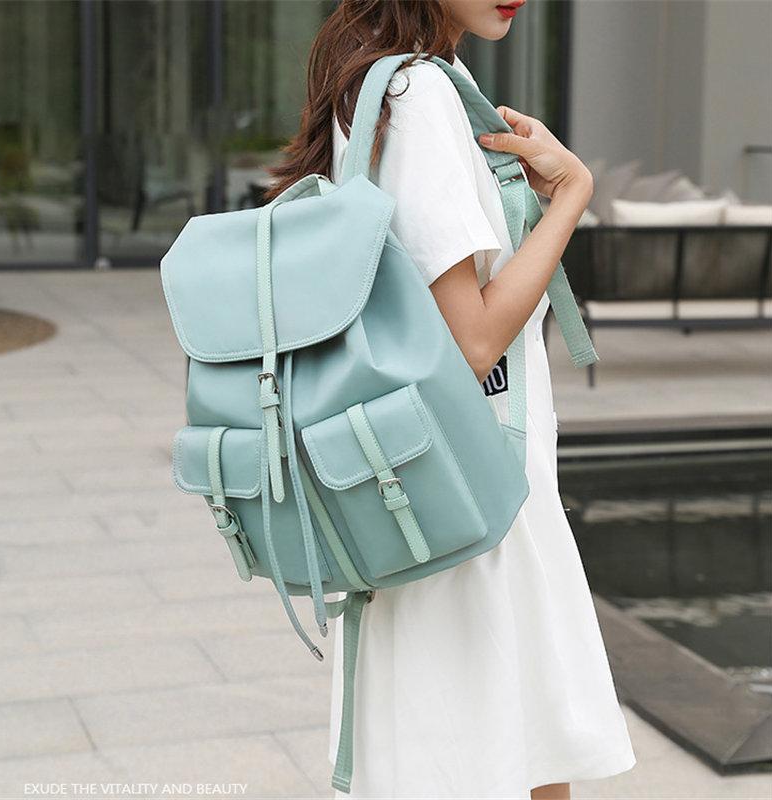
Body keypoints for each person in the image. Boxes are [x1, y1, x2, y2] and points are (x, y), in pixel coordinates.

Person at [267, 1, 637, 797]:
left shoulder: (392, 81)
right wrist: (571, 195)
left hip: (442, 487)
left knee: (519, 761)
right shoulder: (420, 93)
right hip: (472, 495)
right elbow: (472, 341)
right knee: (510, 761)